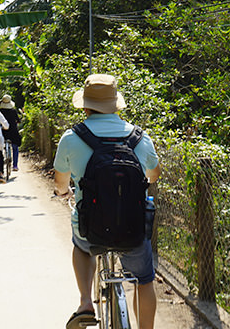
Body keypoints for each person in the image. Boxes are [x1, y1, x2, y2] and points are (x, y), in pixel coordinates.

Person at [53, 74, 162, 329]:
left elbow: (60, 183)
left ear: (86, 107)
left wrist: (63, 192)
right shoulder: (139, 137)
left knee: (81, 247)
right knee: (144, 280)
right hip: (132, 229)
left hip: (90, 228)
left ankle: (85, 303)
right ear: (115, 105)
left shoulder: (72, 138)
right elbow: (154, 175)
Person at [0, 94, 22, 171]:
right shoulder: (13, 111)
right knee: (15, 147)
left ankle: (0, 164)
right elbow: (18, 120)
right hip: (13, 133)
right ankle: (15, 165)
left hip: (2, 132)